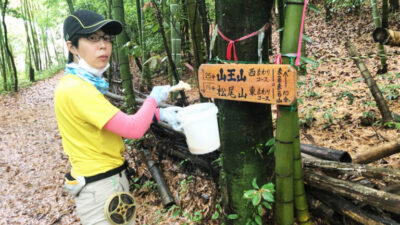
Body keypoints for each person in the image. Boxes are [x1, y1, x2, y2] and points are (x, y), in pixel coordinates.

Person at [54, 9, 181, 225]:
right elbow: (133, 129)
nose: (103, 45)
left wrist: (159, 114)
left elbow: (111, 125)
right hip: (101, 189)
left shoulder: (80, 84)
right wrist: (152, 100)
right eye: (92, 38)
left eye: (105, 38)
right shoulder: (77, 89)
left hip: (104, 183)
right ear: (71, 47)